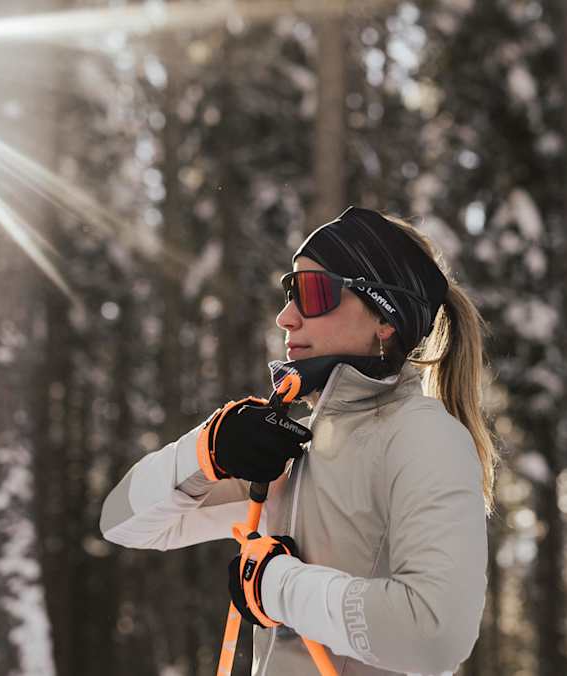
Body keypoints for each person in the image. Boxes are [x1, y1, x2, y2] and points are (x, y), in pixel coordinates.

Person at [100, 206, 497, 675]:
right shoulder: (291, 447)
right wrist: (207, 449)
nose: (285, 316)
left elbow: (436, 635)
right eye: (290, 291)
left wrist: (274, 586)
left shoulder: (425, 438)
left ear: (384, 320)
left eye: (312, 293)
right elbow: (122, 523)